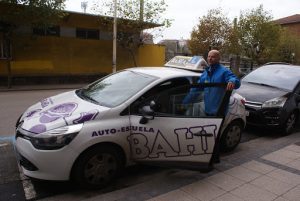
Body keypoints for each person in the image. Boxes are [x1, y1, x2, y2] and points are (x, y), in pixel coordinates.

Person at [183, 49, 240, 116]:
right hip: (207, 110)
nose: (210, 59)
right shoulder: (206, 73)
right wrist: (185, 103)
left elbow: (237, 82)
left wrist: (232, 81)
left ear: (218, 58)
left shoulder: (224, 71)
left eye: (213, 57)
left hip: (219, 112)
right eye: (209, 56)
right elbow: (196, 89)